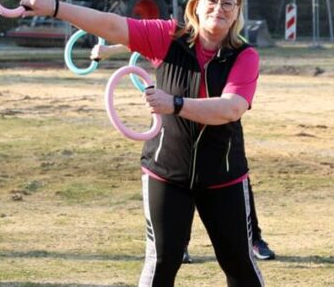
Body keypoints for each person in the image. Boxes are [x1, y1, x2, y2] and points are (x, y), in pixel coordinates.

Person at [21, 0, 264, 286]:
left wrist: (174, 104)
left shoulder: (245, 56)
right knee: (163, 261)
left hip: (223, 176)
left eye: (228, 3)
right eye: (212, 0)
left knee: (239, 265)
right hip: (167, 173)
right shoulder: (167, 36)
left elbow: (230, 108)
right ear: (196, 6)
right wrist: (54, 7)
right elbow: (111, 25)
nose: (220, 8)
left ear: (237, 13)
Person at [90, 43, 276, 263]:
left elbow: (234, 103)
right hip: (174, 143)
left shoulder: (235, 46)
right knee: (178, 192)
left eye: (227, 5)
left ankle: (253, 239)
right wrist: (107, 51)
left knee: (236, 191)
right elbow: (136, 37)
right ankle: (180, 244)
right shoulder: (174, 36)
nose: (218, 11)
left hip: (221, 138)